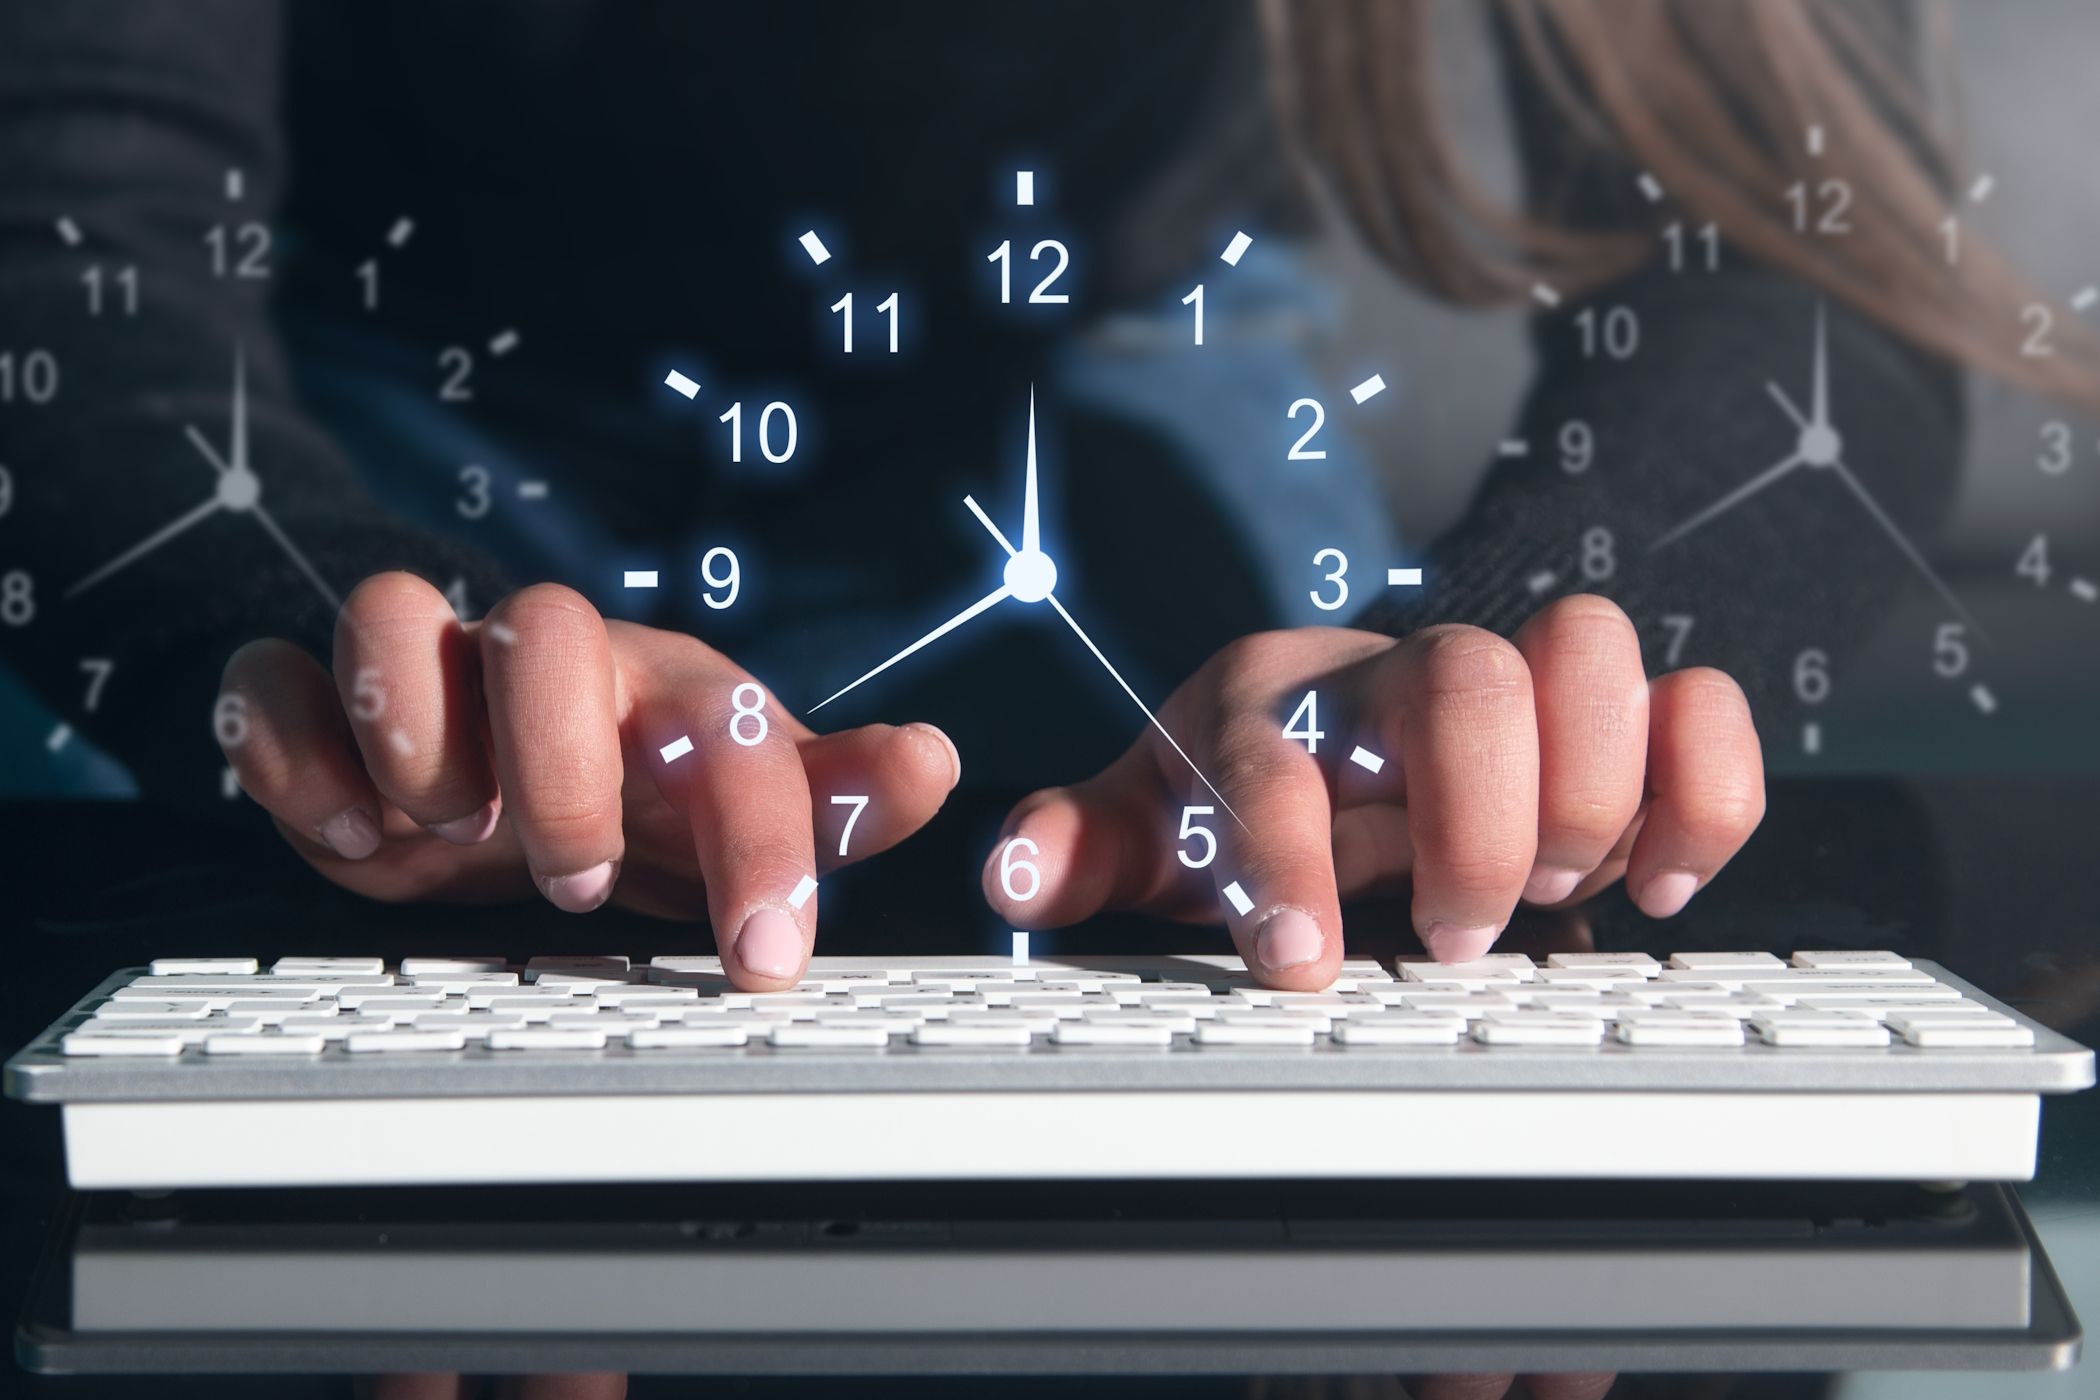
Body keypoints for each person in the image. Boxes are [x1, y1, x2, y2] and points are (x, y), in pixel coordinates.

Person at [3, 0, 2082, 996]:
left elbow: (1788, 244)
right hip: (390, 407)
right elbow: (71, 224)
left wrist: (1533, 657)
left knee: (1380, 921)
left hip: (1118, 369)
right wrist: (329, 610)